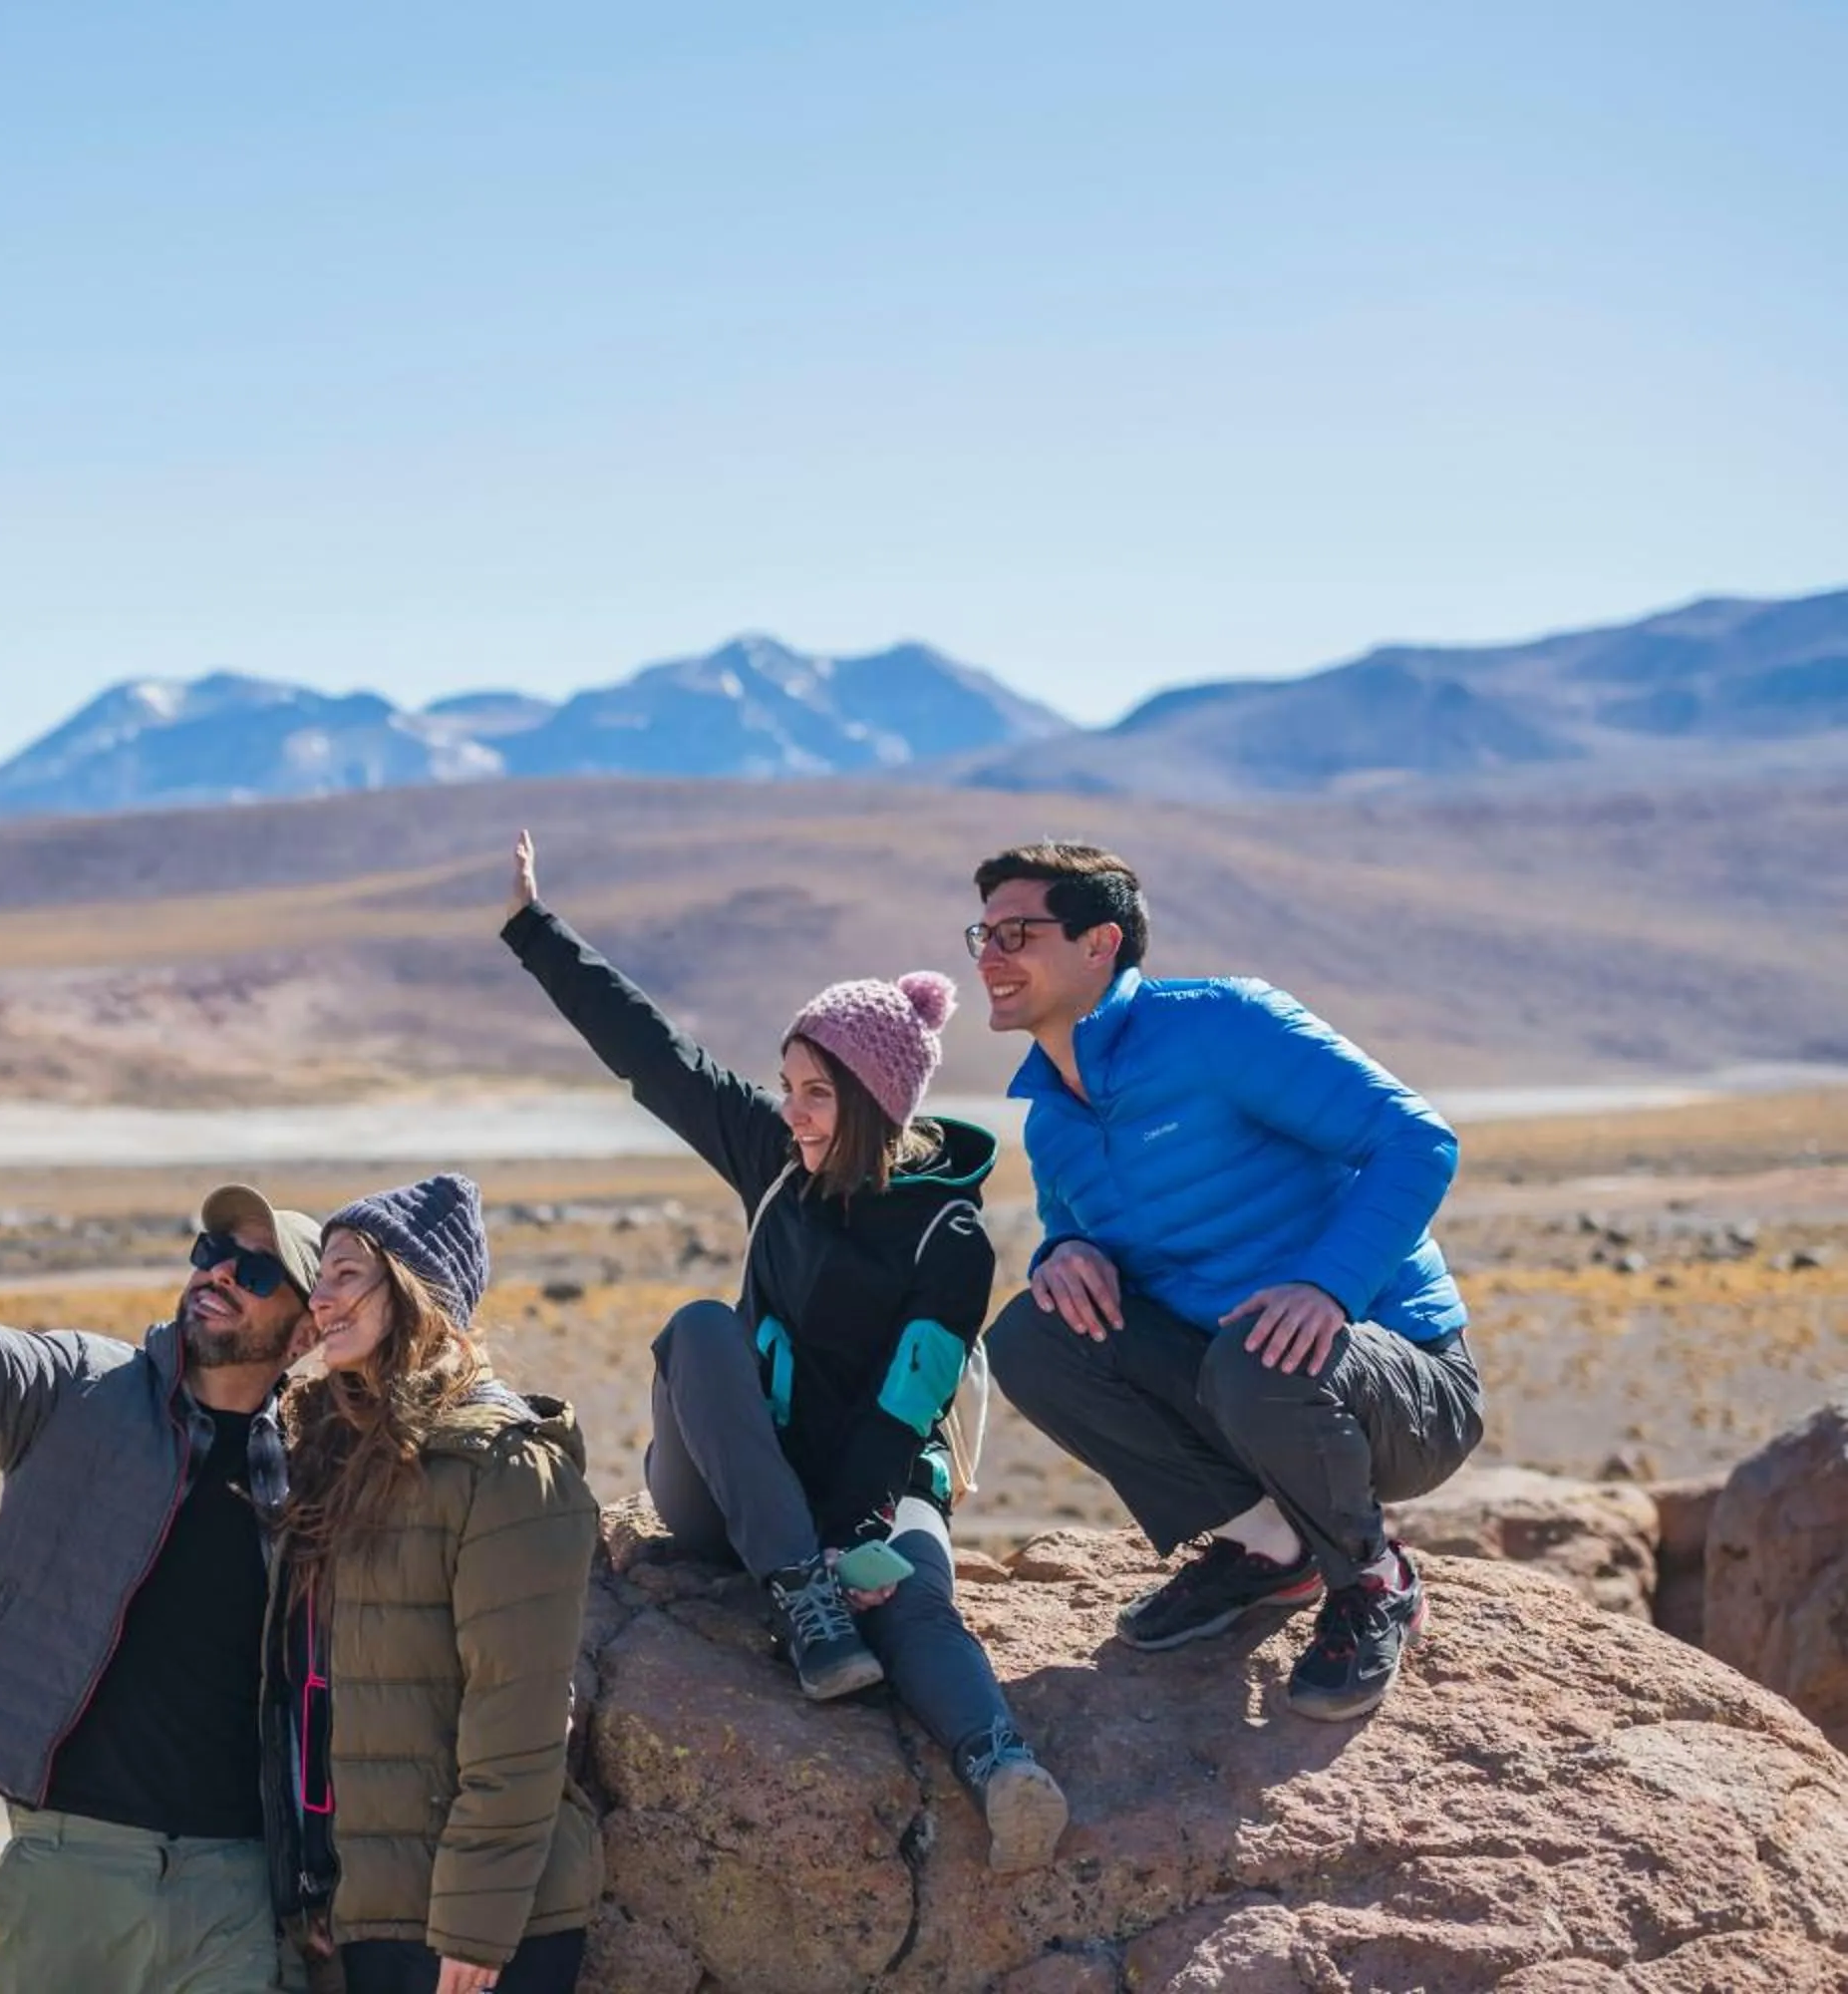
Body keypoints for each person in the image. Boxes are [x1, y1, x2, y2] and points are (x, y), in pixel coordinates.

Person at [498, 832, 1070, 1873]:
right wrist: (536, 930)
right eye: (787, 1085)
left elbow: (911, 1405)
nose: (793, 1112)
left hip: (869, 1484)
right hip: (729, 1484)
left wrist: (860, 1541)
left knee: (915, 1594)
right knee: (702, 1327)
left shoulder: (949, 1239)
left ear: (874, 1100)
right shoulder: (774, 1161)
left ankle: (1002, 1764)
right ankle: (799, 1592)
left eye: (815, 1092)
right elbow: (656, 1053)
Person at [969, 841, 1484, 1722]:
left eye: (1019, 931)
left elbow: (1418, 1139)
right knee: (1032, 1336)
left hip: (1396, 1388)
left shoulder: (1222, 1025)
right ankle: (1268, 1544)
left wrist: (1327, 1286)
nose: (990, 954)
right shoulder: (1053, 1118)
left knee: (1264, 1347)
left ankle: (1371, 1577)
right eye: (982, 932)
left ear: (1101, 944)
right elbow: (1070, 1228)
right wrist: (1062, 1256)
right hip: (1239, 1387)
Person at [0, 1111, 323, 1994]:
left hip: (236, 1884)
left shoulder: (321, 1473)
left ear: (308, 1329)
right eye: (210, 1250)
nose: (217, 1275)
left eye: (256, 1270)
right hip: (71, 1865)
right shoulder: (81, 1390)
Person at [266, 1171, 600, 1994]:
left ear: (416, 1292)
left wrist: (475, 1927)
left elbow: (517, 1714)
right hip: (364, 1916)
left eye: (347, 1274)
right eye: (320, 1279)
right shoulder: (335, 1455)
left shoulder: (508, 1467)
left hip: (471, 1936)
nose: (321, 1299)